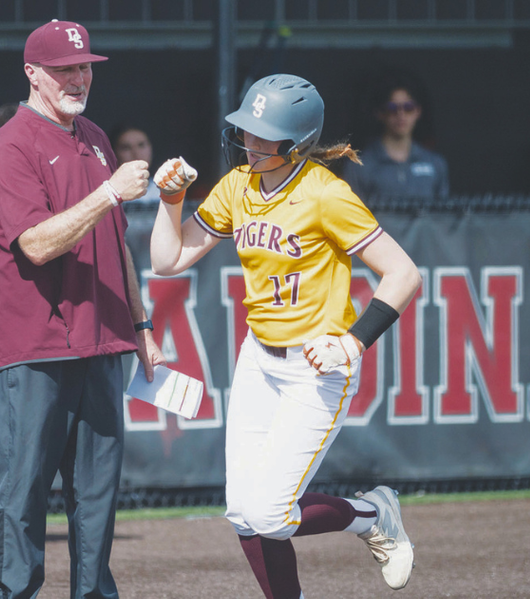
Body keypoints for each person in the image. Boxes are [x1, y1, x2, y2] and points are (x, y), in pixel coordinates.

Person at [149, 74, 422, 598]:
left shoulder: (325, 193)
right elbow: (168, 260)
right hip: (259, 359)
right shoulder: (237, 185)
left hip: (317, 367)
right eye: (246, 129)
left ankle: (372, 513)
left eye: (261, 134)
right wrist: (170, 200)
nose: (248, 141)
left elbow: (404, 273)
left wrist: (353, 340)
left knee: (270, 513)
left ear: (294, 144)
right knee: (242, 512)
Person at [0, 20, 165, 598]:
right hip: (33, 347)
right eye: (64, 69)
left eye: (84, 67)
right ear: (33, 74)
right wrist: (109, 191)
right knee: (20, 494)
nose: (78, 78)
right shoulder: (11, 143)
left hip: (104, 340)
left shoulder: (95, 136)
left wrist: (141, 324)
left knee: (96, 499)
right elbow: (34, 243)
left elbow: (119, 243)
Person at [343, 72, 449, 201]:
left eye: (408, 107)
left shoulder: (435, 164)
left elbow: (444, 217)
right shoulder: (359, 166)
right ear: (380, 113)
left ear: (418, 111)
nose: (401, 114)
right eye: (392, 108)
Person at [110, 125, 161, 204]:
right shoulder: (107, 196)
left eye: (141, 145)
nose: (136, 153)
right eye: (126, 147)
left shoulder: (167, 191)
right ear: (114, 153)